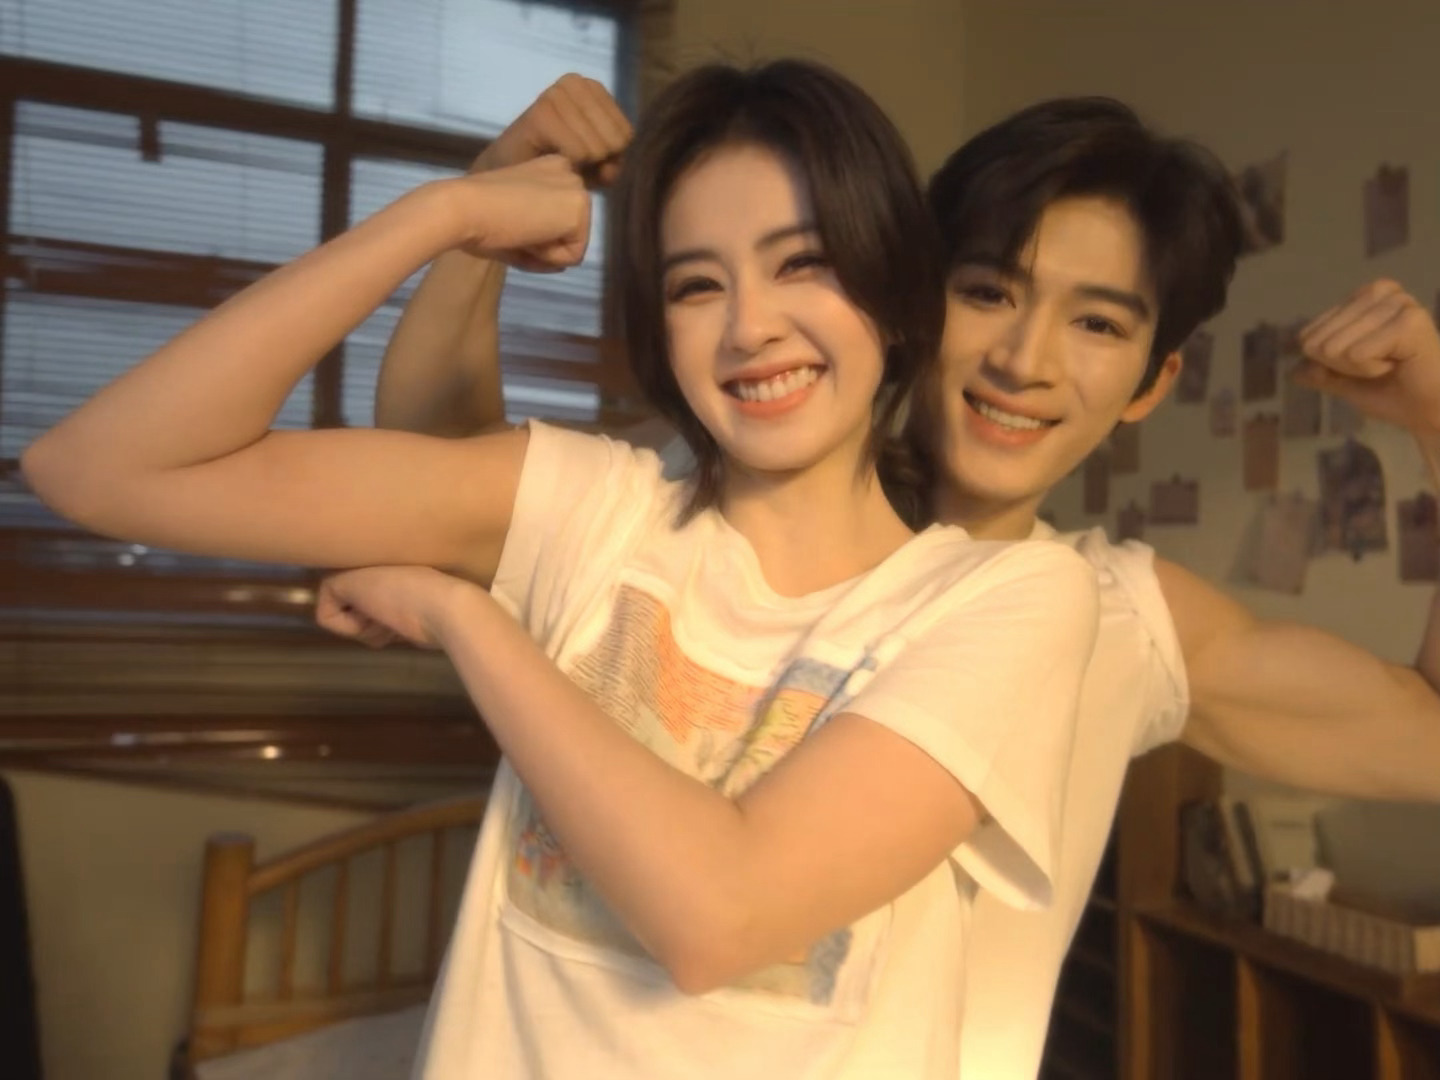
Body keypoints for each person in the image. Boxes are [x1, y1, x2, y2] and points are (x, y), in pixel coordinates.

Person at [20, 60, 1101, 1078]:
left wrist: (464, 618)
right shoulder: (598, 510)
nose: (749, 328)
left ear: (896, 293)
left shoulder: (1003, 600)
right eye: (695, 285)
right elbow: (96, 468)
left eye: (801, 263)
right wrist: (449, 211)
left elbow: (718, 918)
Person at [373, 76, 1440, 1077]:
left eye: (1097, 324)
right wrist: (482, 214)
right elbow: (423, 489)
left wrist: (1438, 417)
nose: (1024, 361)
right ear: (903, 293)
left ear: (1151, 383)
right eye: (988, 292)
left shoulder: (1122, 615)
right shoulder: (709, 497)